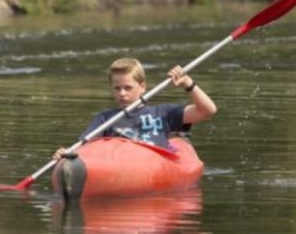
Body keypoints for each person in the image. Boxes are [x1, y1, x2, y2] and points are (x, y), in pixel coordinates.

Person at [53, 57, 217, 162]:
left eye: (128, 88)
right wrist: (66, 153)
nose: (122, 93)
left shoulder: (163, 113)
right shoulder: (105, 119)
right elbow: (83, 146)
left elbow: (207, 111)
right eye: (117, 88)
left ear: (142, 87)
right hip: (122, 164)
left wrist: (189, 84)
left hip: (155, 163)